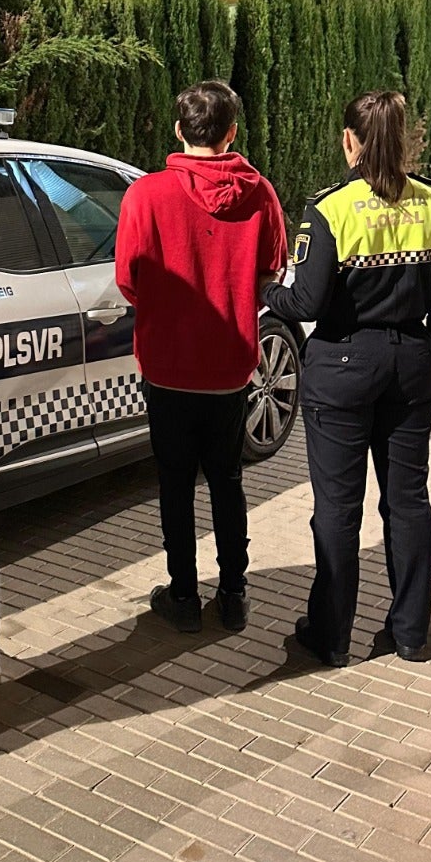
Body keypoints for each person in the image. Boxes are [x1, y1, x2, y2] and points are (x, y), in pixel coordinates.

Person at [263, 91, 431, 666]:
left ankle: (332, 637)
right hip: (413, 362)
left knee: (338, 510)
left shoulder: (330, 207)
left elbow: (307, 298)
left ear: (350, 141)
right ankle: (412, 633)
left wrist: (263, 290)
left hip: (341, 367)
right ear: (405, 139)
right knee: (409, 500)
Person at [115, 81, 288, 634]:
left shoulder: (145, 196)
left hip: (166, 367)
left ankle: (184, 596)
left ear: (178, 131)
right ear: (232, 132)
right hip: (229, 366)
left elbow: (127, 280)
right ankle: (234, 594)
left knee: (173, 484)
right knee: (228, 480)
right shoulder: (259, 194)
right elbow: (273, 269)